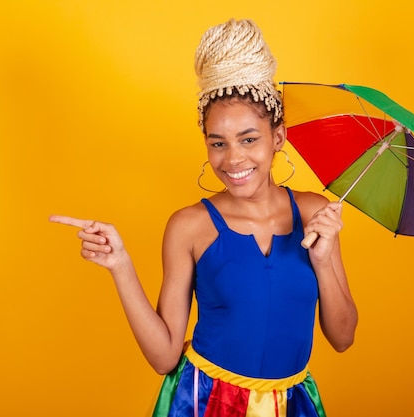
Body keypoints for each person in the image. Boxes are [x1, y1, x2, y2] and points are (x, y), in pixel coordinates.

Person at [50, 18, 357, 417]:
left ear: (278, 138)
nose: (233, 159)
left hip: (291, 404)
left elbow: (343, 336)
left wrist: (322, 262)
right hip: (206, 402)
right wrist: (120, 265)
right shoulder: (189, 226)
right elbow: (163, 357)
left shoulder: (316, 215)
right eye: (218, 143)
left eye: (249, 139)